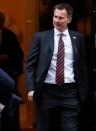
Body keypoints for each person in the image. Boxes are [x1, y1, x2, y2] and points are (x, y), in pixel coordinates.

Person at [26, 3, 88, 131]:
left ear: (69, 19)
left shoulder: (78, 38)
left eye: (61, 18)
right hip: (47, 92)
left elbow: (82, 66)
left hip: (70, 92)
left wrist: (83, 91)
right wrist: (31, 88)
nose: (57, 20)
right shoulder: (41, 37)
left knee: (70, 128)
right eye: (55, 17)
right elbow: (30, 65)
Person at [0, 9, 24, 131]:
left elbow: (19, 56)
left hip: (8, 78)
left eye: (0, 20)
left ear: (4, 21)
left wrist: (15, 71)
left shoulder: (10, 35)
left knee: (11, 111)